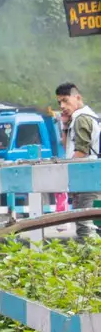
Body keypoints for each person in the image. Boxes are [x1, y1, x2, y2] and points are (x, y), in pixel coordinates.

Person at [58, 82, 99, 239]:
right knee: (85, 224)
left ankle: (91, 260)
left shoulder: (82, 118)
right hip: (87, 178)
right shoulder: (80, 118)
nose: (62, 106)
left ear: (77, 97)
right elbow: (68, 146)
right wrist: (64, 125)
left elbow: (81, 152)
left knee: (85, 227)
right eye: (59, 102)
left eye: (65, 100)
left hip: (87, 179)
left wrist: (66, 172)